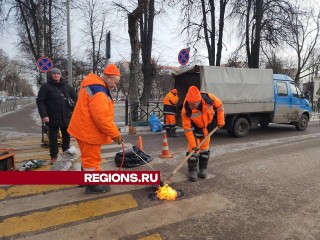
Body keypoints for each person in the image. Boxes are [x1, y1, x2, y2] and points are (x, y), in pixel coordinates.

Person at [68, 63, 122, 194]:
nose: (115, 85)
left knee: (88, 157)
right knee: (92, 159)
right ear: (108, 78)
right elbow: (102, 118)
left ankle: (85, 179)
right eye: (115, 82)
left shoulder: (93, 85)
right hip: (88, 131)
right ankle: (93, 185)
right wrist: (115, 134)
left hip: (84, 128)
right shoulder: (99, 91)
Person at [181, 86, 225, 182]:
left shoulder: (209, 98)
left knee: (204, 150)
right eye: (190, 104)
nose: (191, 106)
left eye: (193, 104)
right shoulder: (186, 110)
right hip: (194, 130)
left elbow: (220, 106)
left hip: (207, 128)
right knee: (193, 151)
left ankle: (203, 169)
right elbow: (187, 129)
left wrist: (220, 121)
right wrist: (194, 145)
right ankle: (192, 171)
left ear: (199, 100)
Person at [37, 68, 77, 164]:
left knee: (66, 137)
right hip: (52, 116)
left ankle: (66, 155)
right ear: (51, 75)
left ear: (60, 75)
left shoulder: (67, 86)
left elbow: (75, 98)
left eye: (58, 74)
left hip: (66, 117)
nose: (56, 75)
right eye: (54, 73)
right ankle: (54, 156)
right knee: (53, 138)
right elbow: (40, 101)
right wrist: (44, 115)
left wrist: (72, 107)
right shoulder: (46, 87)